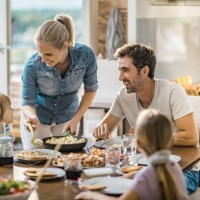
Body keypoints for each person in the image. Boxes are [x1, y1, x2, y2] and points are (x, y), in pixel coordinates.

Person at [93, 43, 199, 194]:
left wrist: (148, 137)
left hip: (184, 169)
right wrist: (100, 129)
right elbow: (105, 126)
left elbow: (191, 137)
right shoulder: (124, 95)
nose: (120, 77)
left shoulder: (172, 92)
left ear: (144, 71)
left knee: (149, 192)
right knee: (109, 185)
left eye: (126, 70)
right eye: (120, 70)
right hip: (146, 167)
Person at [20, 14, 98, 150]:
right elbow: (27, 102)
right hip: (39, 116)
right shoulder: (32, 65)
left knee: (65, 160)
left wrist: (76, 119)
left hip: (68, 116)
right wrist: (32, 117)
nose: (43, 60)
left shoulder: (85, 56)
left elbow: (91, 89)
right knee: (37, 160)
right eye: (40, 53)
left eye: (48, 54)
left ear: (65, 45)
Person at [76, 109, 189, 200]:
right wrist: (134, 173)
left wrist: (90, 196)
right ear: (170, 139)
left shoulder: (144, 177)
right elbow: (154, 173)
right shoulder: (174, 166)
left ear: (138, 144)